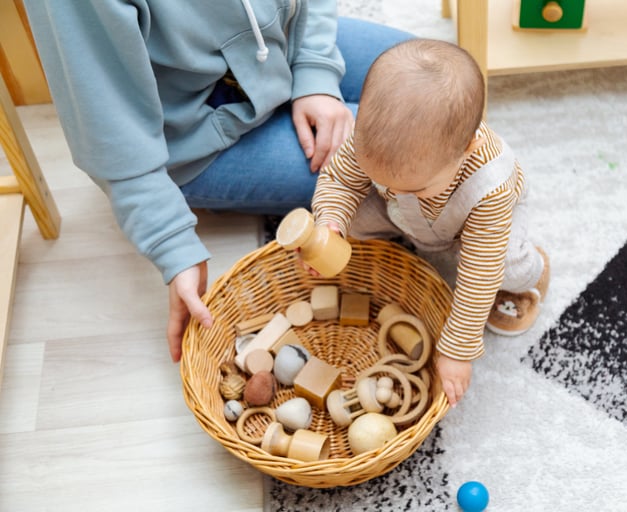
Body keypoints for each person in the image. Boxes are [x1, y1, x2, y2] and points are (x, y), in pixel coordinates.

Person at [22, 1, 412, 362]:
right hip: (198, 131)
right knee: (403, 165)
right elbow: (108, 130)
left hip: (277, 42)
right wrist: (171, 242)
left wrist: (316, 73)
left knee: (432, 87)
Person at [309, 38, 550, 407]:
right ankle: (401, 225)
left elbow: (479, 270)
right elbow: (340, 180)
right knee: (350, 217)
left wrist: (457, 349)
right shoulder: (371, 141)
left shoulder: (491, 187)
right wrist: (331, 224)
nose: (392, 189)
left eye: (415, 187)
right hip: (406, 216)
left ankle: (536, 269)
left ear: (466, 150)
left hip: (475, 229)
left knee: (503, 266)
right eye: (382, 179)